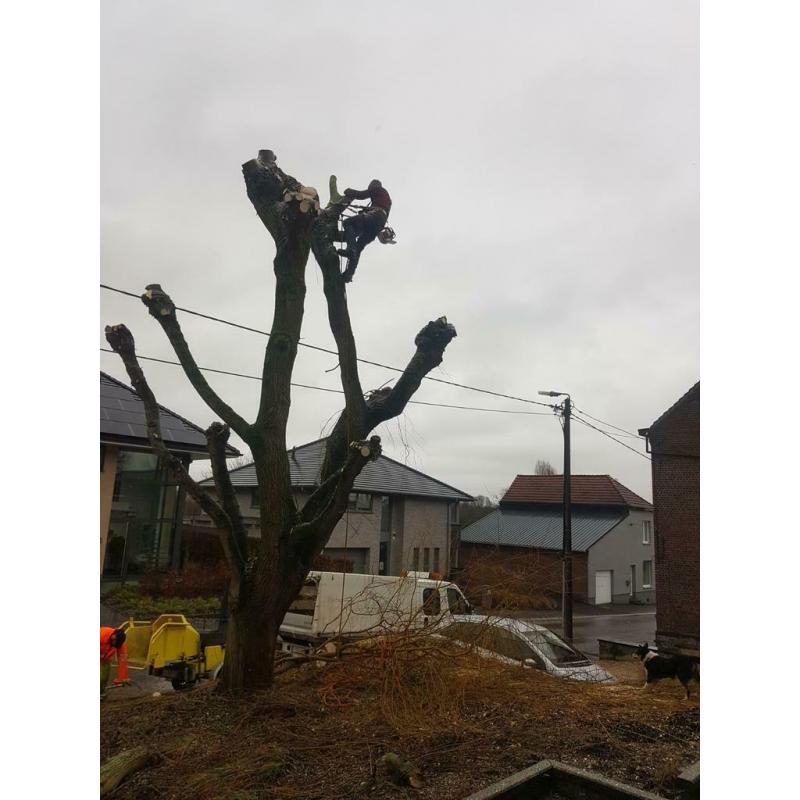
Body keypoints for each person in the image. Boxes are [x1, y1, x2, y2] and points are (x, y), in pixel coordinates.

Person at [336, 179, 392, 282]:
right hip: (377, 226)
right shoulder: (385, 199)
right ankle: (348, 274)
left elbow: (361, 195)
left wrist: (349, 191)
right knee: (359, 247)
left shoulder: (378, 190)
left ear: (373, 185)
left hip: (374, 217)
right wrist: (365, 211)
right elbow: (379, 210)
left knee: (348, 222)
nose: (369, 188)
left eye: (370, 186)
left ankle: (350, 250)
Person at [100, 626, 129, 698]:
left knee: (103, 678)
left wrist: (121, 678)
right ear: (113, 637)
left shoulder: (120, 643)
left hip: (105, 659)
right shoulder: (101, 635)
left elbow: (122, 660)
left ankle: (101, 694)